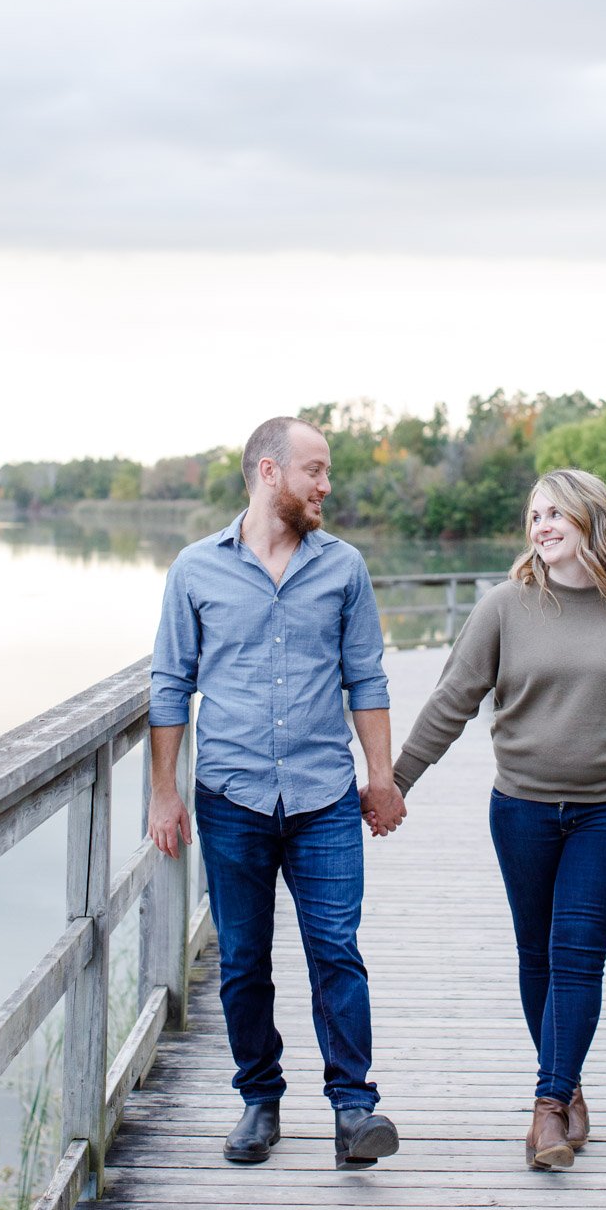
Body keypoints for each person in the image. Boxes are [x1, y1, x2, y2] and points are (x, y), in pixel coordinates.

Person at [386, 468, 606, 1171]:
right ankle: (570, 1084)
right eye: (534, 515)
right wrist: (397, 782)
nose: (542, 526)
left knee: (578, 954)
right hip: (521, 809)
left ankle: (547, 1110)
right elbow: (450, 701)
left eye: (556, 513)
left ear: (592, 520)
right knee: (536, 955)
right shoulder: (504, 606)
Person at [147, 415, 408, 1169]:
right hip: (231, 796)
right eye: (314, 471)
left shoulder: (343, 568)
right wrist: (164, 793)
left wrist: (380, 775)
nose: (326, 485)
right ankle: (259, 1100)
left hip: (324, 795)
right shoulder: (195, 570)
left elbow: (368, 676)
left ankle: (354, 1108)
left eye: (326, 472)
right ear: (269, 473)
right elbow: (170, 686)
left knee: (336, 950)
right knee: (242, 960)